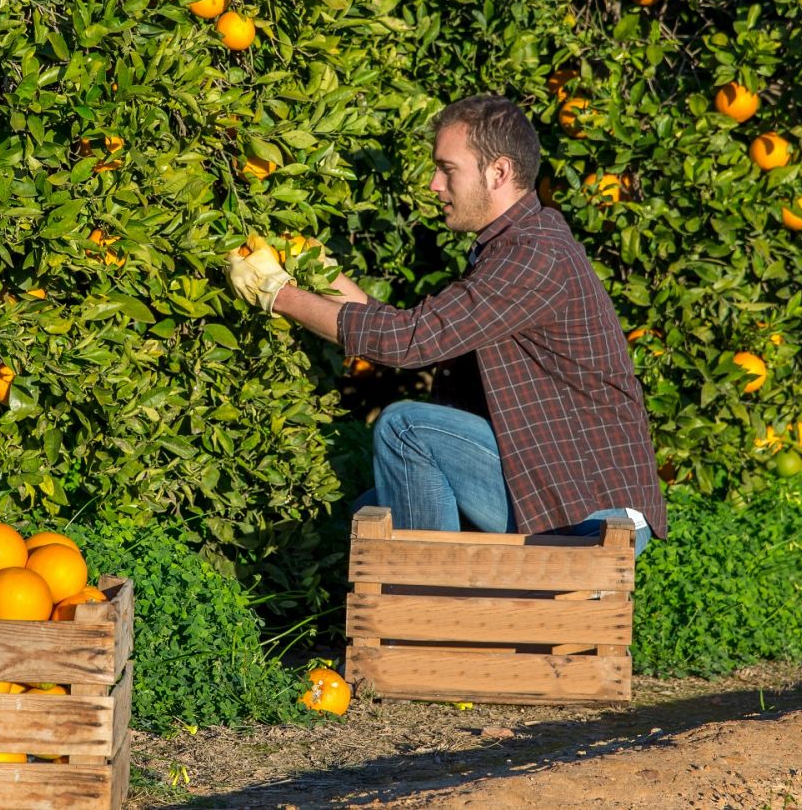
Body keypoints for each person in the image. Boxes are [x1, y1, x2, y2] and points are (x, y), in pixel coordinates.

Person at [224, 94, 664, 554]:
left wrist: (276, 295)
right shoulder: (511, 248)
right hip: (555, 485)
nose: (434, 184)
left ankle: (424, 603)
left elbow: (410, 342)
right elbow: (412, 330)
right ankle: (431, 601)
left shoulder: (534, 254)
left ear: (498, 172)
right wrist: (321, 271)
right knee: (371, 512)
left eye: (447, 169)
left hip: (591, 510)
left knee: (405, 429)